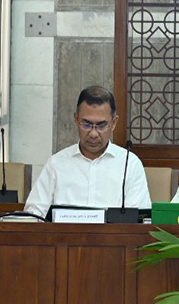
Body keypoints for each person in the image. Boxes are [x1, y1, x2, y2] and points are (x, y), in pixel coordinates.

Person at [24, 86, 151, 218]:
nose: (93, 133)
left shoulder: (129, 164)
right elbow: (33, 214)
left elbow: (139, 219)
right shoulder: (57, 163)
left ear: (114, 123)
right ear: (76, 119)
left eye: (101, 125)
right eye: (86, 124)